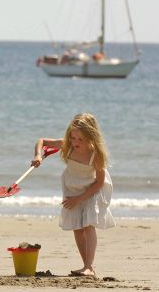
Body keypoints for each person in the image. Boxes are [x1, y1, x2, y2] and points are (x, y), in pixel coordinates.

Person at [31, 113, 114, 277]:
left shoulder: (95, 155)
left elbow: (98, 183)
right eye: (73, 137)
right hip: (72, 189)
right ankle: (86, 265)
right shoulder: (67, 146)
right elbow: (42, 141)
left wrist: (79, 199)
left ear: (91, 138)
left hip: (91, 191)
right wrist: (38, 155)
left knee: (88, 225)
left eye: (80, 140)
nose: (76, 142)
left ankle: (89, 266)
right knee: (77, 228)